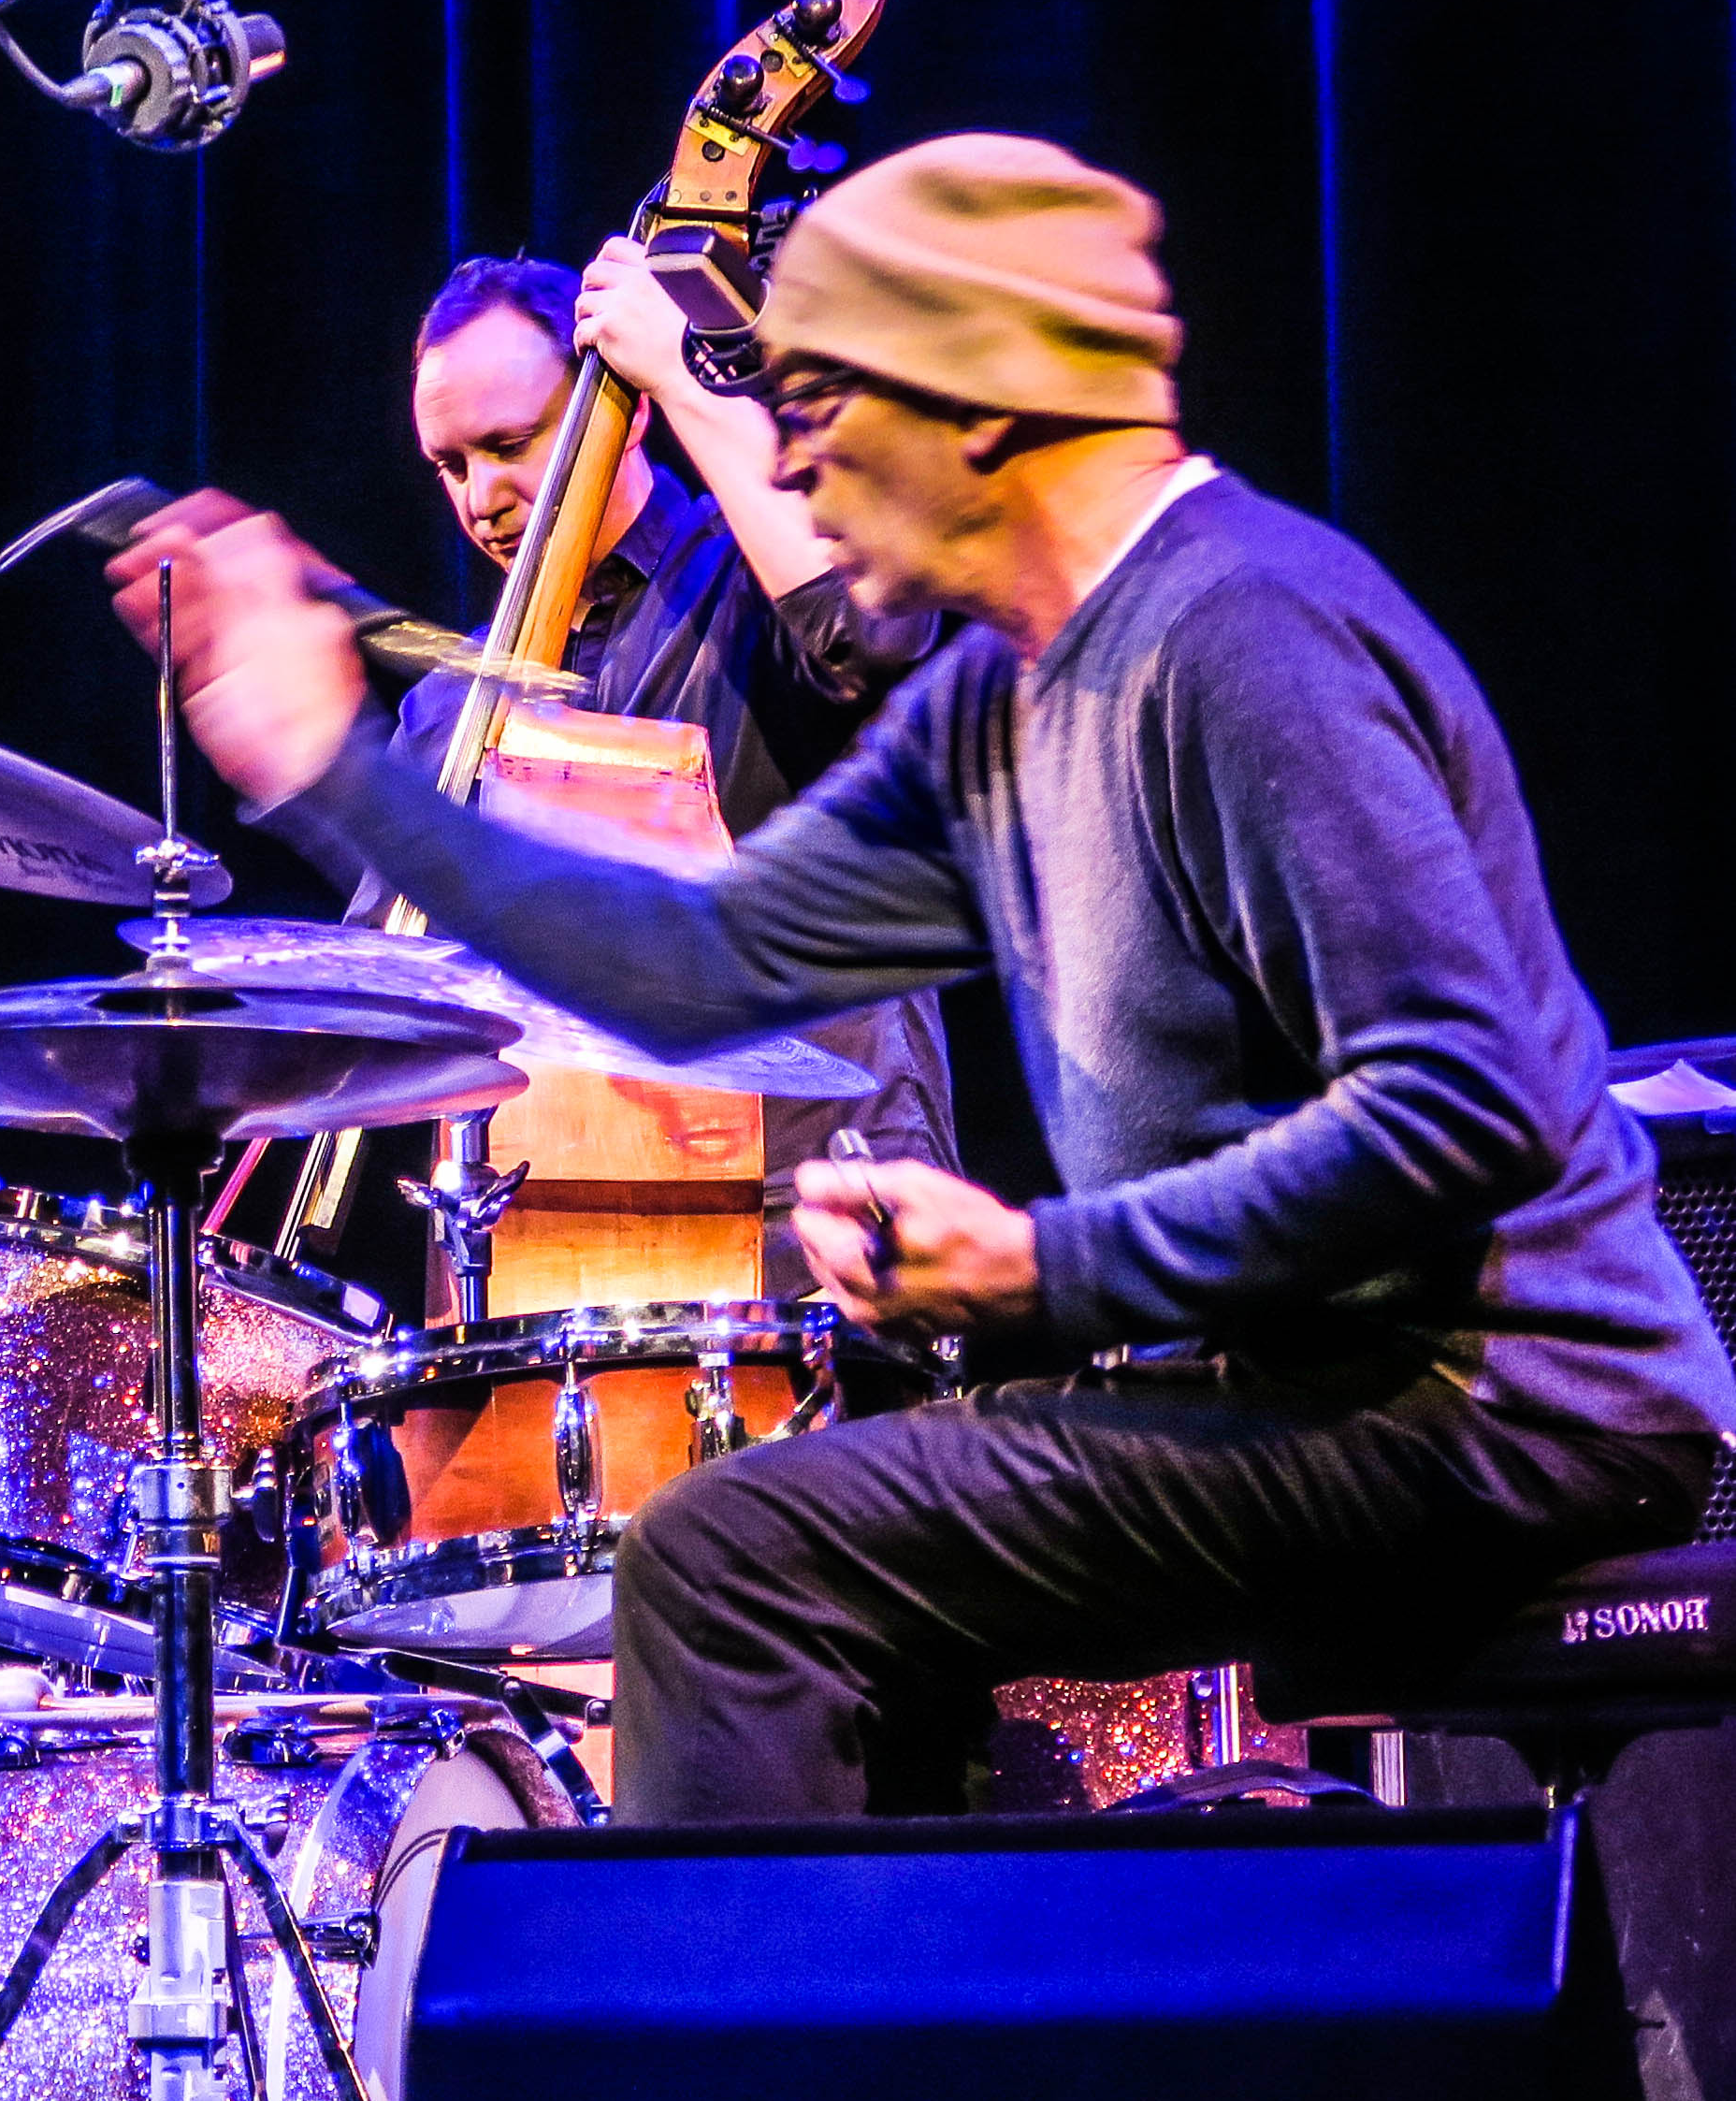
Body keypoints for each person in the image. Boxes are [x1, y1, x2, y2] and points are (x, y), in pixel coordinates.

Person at [119, 133, 1732, 1821]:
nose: (788, 481)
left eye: (816, 416)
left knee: (733, 1556)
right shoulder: (1001, 701)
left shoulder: (1243, 634)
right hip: (1307, 1378)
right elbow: (696, 959)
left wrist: (1045, 1262)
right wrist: (335, 767)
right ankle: (909, 2051)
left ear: (974, 410)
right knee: (813, 1525)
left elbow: (1453, 1111)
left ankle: (734, 2088)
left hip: (1504, 1398)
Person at [188, 245, 962, 1270]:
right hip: (529, 1232)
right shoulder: (448, 703)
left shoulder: (749, 583)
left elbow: (872, 634)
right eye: (450, 464)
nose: (481, 496)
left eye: (510, 443)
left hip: (801, 1202)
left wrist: (678, 372)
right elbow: (392, 989)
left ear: (620, 411)